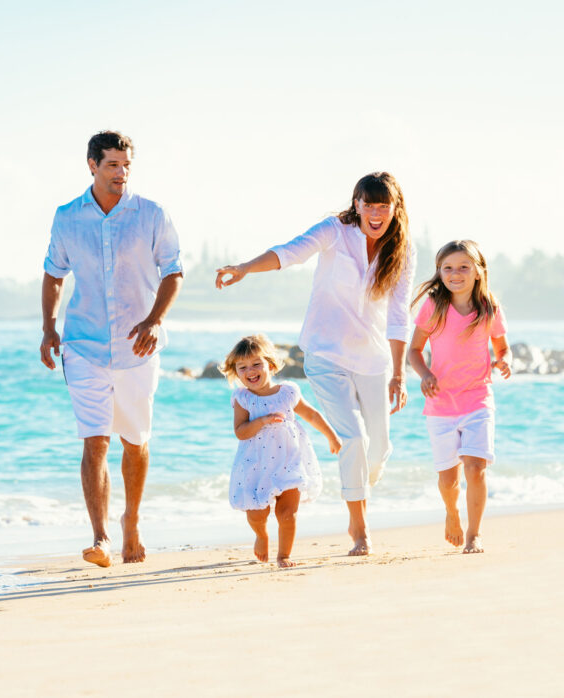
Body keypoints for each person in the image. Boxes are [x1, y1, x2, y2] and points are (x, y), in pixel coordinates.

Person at [215, 172, 415, 556]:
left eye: (383, 206)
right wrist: (244, 268)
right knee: (353, 439)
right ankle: (359, 527)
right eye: (367, 204)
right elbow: (289, 252)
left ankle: (362, 484)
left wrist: (399, 372)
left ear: (395, 208)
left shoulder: (402, 248)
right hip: (325, 354)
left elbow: (398, 315)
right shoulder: (334, 231)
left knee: (379, 447)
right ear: (356, 205)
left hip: (373, 359)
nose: (375, 213)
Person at [39, 130, 184, 567]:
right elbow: (53, 273)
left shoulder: (151, 214)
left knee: (135, 441)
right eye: (112, 165)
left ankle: (132, 521)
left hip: (138, 347)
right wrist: (49, 328)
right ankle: (100, 539)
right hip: (82, 345)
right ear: (92, 165)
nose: (121, 173)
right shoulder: (67, 217)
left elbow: (174, 272)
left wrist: (155, 319)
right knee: (95, 441)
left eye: (126, 166)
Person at [406, 240, 511, 554]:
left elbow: (502, 346)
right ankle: (452, 513)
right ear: (439, 272)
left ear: (478, 272)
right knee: (448, 480)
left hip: (478, 399)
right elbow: (414, 350)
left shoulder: (489, 306)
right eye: (448, 267)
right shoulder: (433, 306)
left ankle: (474, 535)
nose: (456, 273)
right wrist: (425, 375)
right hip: (440, 405)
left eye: (464, 267)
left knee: (476, 467)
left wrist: (505, 360)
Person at [221, 334, 341, 568]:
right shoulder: (242, 398)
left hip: (290, 460)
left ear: (271, 366)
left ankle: (284, 555)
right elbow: (241, 431)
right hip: (256, 464)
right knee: (257, 513)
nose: (250, 371)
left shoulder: (288, 392)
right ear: (236, 373)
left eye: (257, 364)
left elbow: (312, 415)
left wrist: (331, 435)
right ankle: (262, 535)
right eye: (242, 367)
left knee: (287, 514)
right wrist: (263, 421)